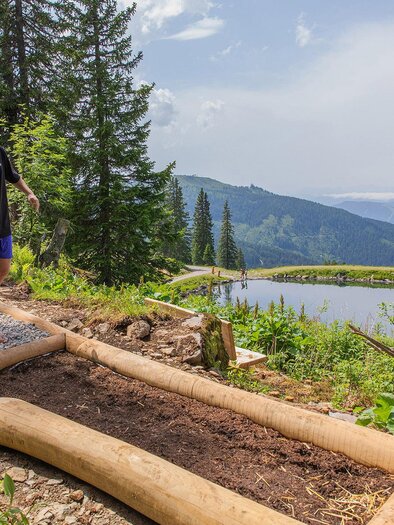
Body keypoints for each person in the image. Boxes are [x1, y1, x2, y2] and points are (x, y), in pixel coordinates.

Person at [0, 146, 39, 342]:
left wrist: (29, 193)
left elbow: (13, 176)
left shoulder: (0, 152)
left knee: (3, 268)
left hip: (2, 224)